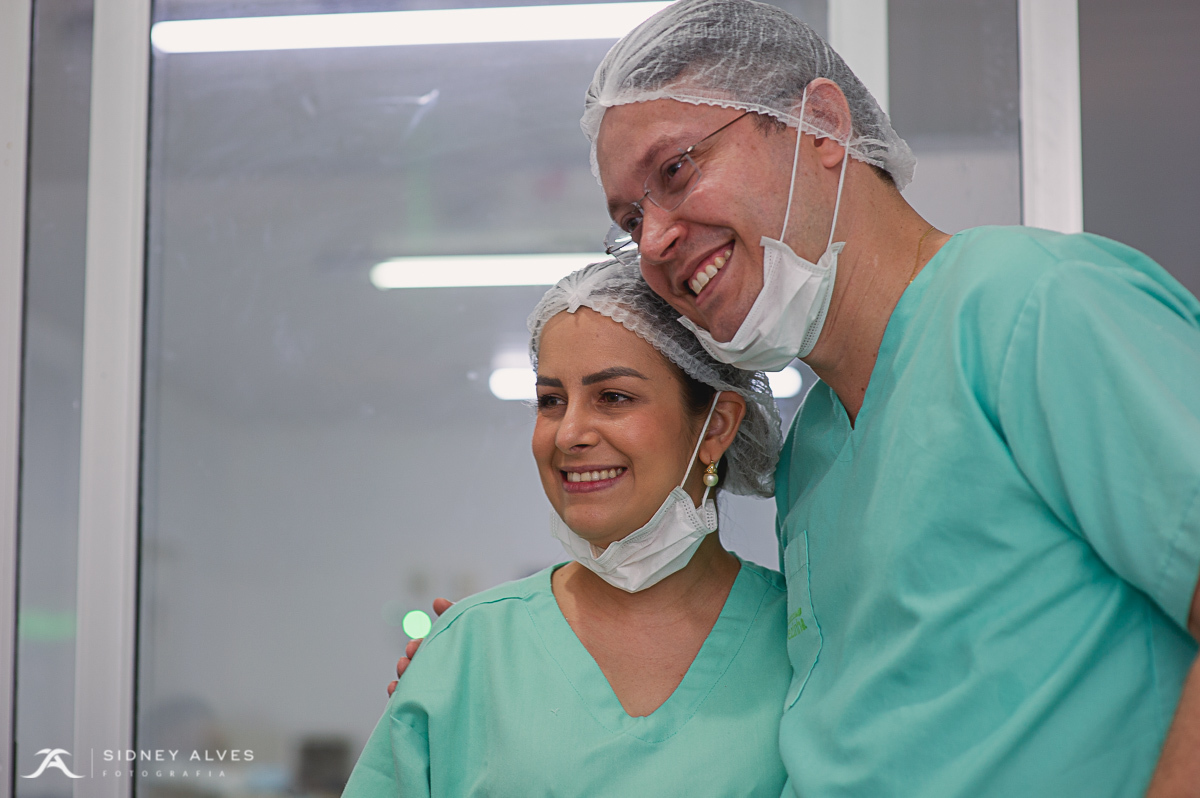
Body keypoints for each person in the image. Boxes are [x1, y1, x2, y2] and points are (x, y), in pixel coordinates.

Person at [579, 0, 1200, 795]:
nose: (655, 240)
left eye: (676, 170)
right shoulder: (814, 451)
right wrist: (511, 653)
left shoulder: (1033, 307)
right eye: (630, 220)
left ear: (823, 126)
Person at [348, 259, 791, 796]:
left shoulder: (805, 639)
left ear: (716, 426)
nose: (569, 434)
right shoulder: (469, 650)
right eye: (551, 401)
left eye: (614, 397)